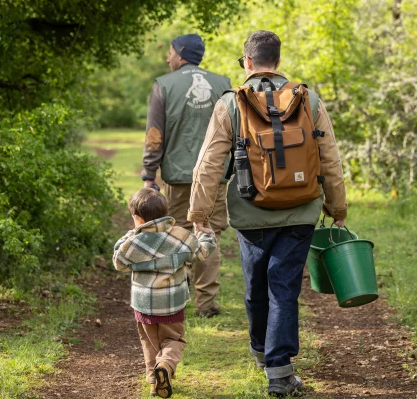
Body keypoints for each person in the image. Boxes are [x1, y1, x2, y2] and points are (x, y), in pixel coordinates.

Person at [188, 30, 348, 397]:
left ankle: (264, 355)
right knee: (284, 289)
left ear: (247, 61)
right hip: (300, 211)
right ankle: (279, 371)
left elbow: (209, 164)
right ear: (277, 61)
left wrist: (199, 214)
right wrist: (337, 208)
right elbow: (331, 160)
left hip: (250, 213)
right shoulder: (308, 100)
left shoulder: (231, 104)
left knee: (255, 285)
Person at [141, 33, 231, 318]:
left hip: (178, 176)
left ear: (180, 54)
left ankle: (177, 298)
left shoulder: (163, 85)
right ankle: (206, 304)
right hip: (215, 176)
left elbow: (155, 135)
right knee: (209, 233)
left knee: (177, 233)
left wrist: (149, 174)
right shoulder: (223, 84)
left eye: (169, 52)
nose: (167, 58)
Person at [113, 188, 216, 398]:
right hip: (172, 304)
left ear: (137, 218)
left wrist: (132, 232)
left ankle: (154, 381)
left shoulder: (134, 242)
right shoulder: (180, 236)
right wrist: (207, 236)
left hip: (144, 305)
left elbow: (119, 262)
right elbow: (202, 252)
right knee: (174, 339)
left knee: (149, 343)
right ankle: (166, 366)